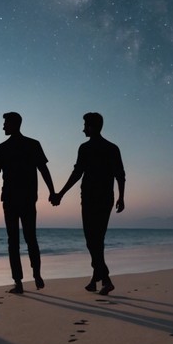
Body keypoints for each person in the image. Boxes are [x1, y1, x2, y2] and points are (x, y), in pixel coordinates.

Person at [0, 112, 56, 294]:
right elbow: (44, 170)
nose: (3, 127)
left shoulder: (4, 148)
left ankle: (19, 282)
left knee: (13, 241)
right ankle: (35, 275)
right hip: (26, 198)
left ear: (15, 124)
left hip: (12, 198)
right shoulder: (31, 144)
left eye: (6, 123)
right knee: (31, 238)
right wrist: (52, 191)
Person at [50, 113, 125, 295]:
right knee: (96, 240)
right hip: (106, 198)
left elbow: (77, 173)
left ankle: (105, 279)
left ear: (91, 127)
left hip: (91, 199)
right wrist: (121, 197)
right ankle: (95, 280)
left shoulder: (85, 148)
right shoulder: (112, 148)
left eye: (85, 125)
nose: (83, 129)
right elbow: (120, 175)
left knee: (93, 241)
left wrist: (60, 193)